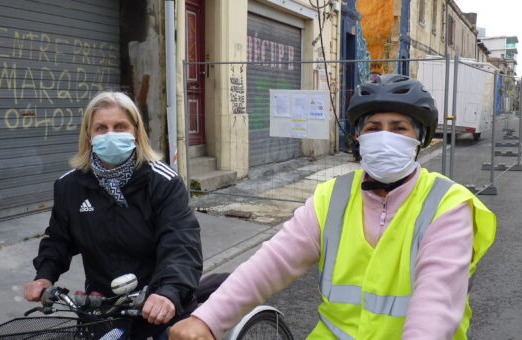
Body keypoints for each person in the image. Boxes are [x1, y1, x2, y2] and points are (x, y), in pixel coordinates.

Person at [170, 74, 496, 340]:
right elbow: (271, 263)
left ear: (419, 138)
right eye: (373, 128)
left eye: (399, 128)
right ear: (358, 136)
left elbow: (436, 303)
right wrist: (207, 319)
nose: (385, 138)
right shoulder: (332, 197)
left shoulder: (448, 205)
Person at [23, 91, 203, 339]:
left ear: (136, 132)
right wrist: (44, 276)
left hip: (158, 303)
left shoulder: (163, 182)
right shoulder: (69, 186)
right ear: (89, 135)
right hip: (102, 307)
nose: (110, 135)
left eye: (120, 127)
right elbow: (59, 239)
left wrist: (169, 291)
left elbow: (181, 243)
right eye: (101, 128)